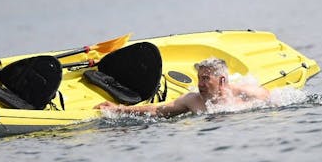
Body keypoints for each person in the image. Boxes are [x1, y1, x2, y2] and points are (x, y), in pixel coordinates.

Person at [97, 57, 267, 117]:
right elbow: (157, 110)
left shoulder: (247, 93)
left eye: (206, 79)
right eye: (199, 78)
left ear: (222, 81)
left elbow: (272, 99)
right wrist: (119, 109)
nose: (200, 84)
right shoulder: (192, 101)